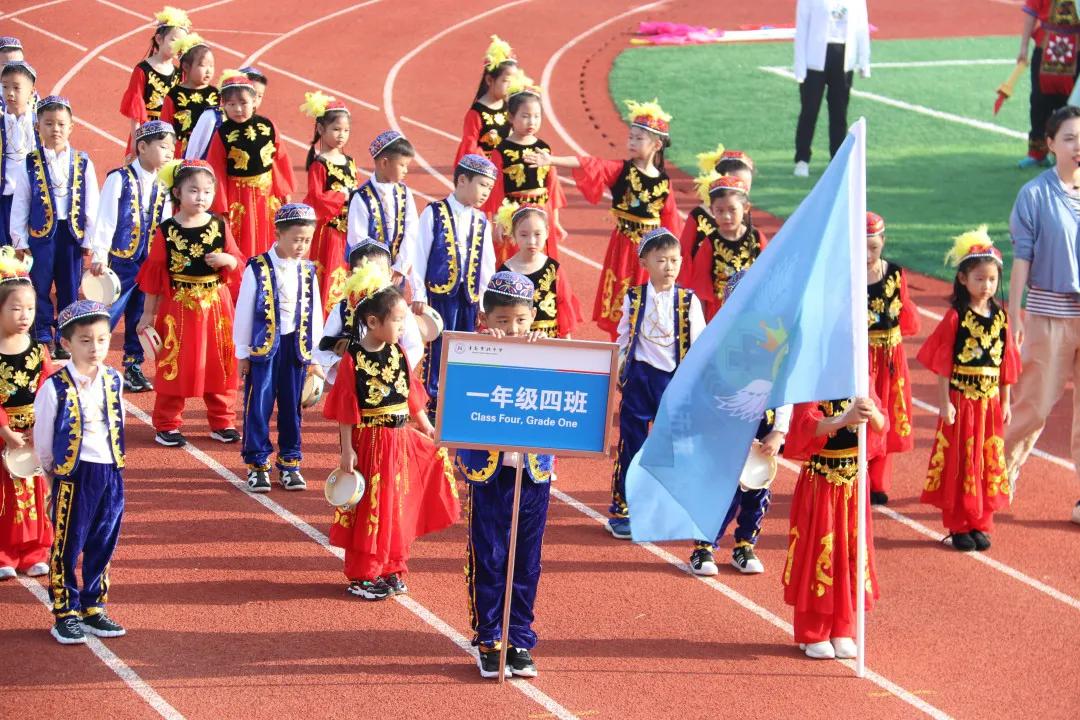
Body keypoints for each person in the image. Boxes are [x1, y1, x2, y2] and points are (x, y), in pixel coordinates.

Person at [323, 262, 458, 600]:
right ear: (372, 322)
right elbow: (346, 408)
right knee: (372, 506)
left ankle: (392, 566)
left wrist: (426, 426)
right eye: (397, 320)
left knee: (398, 504)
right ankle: (364, 574)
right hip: (370, 442)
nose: (403, 326)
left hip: (399, 441)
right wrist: (346, 451)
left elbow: (410, 394)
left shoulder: (397, 352)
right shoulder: (352, 360)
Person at [455, 270, 549, 679]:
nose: (513, 329)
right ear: (485, 319)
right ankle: (490, 637)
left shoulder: (549, 355)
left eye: (522, 321)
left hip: (533, 472)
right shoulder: (471, 353)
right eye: (503, 321)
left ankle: (520, 639)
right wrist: (484, 356)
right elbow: (458, 402)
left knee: (527, 560)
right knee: (490, 554)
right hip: (490, 472)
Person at [527, 99, 681, 339]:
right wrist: (552, 160)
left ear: (657, 144)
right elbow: (589, 163)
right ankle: (619, 348)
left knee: (649, 299)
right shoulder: (622, 170)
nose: (631, 142)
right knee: (621, 300)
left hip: (651, 251)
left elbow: (670, 223)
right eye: (630, 137)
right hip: (624, 249)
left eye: (638, 138)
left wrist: (671, 257)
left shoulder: (664, 183)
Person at [918, 228, 1019, 551]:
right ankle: (959, 524)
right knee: (962, 460)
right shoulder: (956, 317)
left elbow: (1006, 363)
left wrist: (1005, 400)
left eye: (991, 280)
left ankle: (981, 521)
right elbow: (944, 362)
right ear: (963, 279)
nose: (986, 286)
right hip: (962, 401)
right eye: (979, 279)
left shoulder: (1001, 318)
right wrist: (945, 402)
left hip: (989, 403)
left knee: (987, 458)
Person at [33, 300, 127, 645]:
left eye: (102, 340)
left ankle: (93, 606)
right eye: (85, 341)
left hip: (110, 471)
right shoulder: (54, 387)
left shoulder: (114, 380)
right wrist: (48, 474)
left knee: (104, 540)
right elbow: (43, 435)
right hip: (74, 474)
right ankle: (65, 611)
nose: (95, 348)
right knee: (68, 543)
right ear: (67, 343)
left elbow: (116, 424)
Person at [135, 159, 243, 448]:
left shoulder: (220, 225)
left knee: (220, 363)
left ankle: (222, 421)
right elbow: (155, 273)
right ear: (178, 193)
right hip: (178, 308)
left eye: (207, 191)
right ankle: (167, 424)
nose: (201, 197)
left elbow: (237, 260)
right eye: (193, 190)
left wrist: (226, 260)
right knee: (175, 363)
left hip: (217, 307)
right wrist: (147, 314)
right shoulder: (167, 230)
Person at [688, 271, 788, 577]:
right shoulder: (714, 342)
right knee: (719, 488)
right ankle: (703, 547)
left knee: (758, 487)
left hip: (762, 426)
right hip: (724, 428)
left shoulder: (776, 343)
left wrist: (779, 431)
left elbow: (785, 389)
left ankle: (745, 545)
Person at [1006, 105, 1080, 516]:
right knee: (1034, 406)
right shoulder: (1034, 194)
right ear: (1050, 144)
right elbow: (1022, 258)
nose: (1077, 146)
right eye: (1068, 138)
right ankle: (1000, 475)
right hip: (1049, 314)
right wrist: (1015, 314)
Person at [608, 228, 705, 539]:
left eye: (674, 260)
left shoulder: (688, 300)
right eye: (661, 259)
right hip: (640, 378)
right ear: (644, 262)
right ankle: (624, 509)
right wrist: (623, 370)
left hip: (674, 381)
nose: (669, 266)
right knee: (632, 445)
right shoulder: (633, 298)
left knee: (674, 448)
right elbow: (623, 335)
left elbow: (700, 344)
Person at [782, 395, 884, 659]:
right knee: (820, 551)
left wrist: (872, 413)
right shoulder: (815, 378)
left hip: (853, 482)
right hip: (821, 484)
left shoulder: (860, 376)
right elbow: (806, 425)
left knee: (850, 553)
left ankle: (842, 630)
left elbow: (882, 426)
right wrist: (844, 419)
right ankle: (813, 631)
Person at [234, 203, 325, 493]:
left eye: (307, 240)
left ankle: (290, 461)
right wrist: (242, 352)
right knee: (258, 405)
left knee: (292, 405)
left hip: (295, 347)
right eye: (297, 239)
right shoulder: (257, 267)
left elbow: (316, 313)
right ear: (278, 235)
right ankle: (258, 463)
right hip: (263, 348)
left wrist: (316, 357)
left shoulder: (308, 270)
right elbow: (245, 310)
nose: (302, 246)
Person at [398, 153, 496, 409]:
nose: (487, 192)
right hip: (439, 295)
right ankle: (433, 401)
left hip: (469, 297)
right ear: (462, 180)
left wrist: (485, 303)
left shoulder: (481, 220)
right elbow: (419, 256)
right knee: (438, 348)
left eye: (490, 187)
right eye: (483, 185)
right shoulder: (434, 212)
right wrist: (418, 293)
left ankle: (457, 401)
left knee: (465, 347)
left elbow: (487, 265)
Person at [9, 96, 99, 358]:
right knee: (39, 284)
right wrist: (20, 240)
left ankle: (65, 336)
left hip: (70, 235)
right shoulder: (30, 162)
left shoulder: (83, 162)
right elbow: (22, 201)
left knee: (69, 286)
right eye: (48, 124)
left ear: (71, 127)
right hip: (40, 236)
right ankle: (42, 334)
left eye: (61, 124)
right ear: (38, 127)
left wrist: (89, 240)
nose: (55, 129)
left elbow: (92, 202)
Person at [89, 120, 174, 393]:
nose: (170, 153)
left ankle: (133, 366)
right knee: (109, 312)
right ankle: (91, 363)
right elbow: (106, 218)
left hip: (149, 262)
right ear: (142, 147)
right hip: (122, 261)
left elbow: (166, 225)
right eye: (163, 147)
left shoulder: (165, 186)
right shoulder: (119, 178)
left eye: (172, 147)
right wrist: (100, 253)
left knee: (142, 314)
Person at [0, 250, 54, 581]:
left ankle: (34, 550)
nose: (25, 316)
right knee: (6, 495)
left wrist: (42, 427)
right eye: (16, 308)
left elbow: (49, 391)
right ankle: (4, 552)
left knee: (35, 492)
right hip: (6, 436)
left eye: (30, 309)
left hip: (32, 435)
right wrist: (6, 433)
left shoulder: (38, 351)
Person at [207, 70, 295, 259]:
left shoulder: (268, 126)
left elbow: (279, 160)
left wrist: (284, 192)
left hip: (267, 196)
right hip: (238, 198)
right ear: (223, 105)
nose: (238, 109)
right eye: (231, 104)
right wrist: (220, 208)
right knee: (242, 242)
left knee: (270, 237)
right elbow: (216, 172)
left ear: (255, 101)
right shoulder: (222, 134)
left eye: (243, 103)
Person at [315, 240, 425, 385]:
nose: (372, 280)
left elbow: (414, 345)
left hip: (390, 381)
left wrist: (398, 368)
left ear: (390, 274)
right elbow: (321, 348)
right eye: (363, 273)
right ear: (350, 276)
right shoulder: (342, 309)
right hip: (352, 383)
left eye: (378, 273)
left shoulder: (399, 307)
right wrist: (338, 364)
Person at [865, 212, 919, 505]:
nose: (868, 254)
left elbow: (905, 311)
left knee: (889, 413)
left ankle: (879, 481)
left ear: (883, 242)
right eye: (862, 248)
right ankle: (860, 472)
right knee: (867, 410)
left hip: (891, 356)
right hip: (863, 356)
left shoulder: (895, 272)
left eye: (874, 247)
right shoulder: (848, 275)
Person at [483, 73, 565, 265]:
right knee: (514, 260)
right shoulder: (501, 150)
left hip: (541, 213)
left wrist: (556, 221)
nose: (532, 122)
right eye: (525, 116)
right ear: (511, 117)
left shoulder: (544, 148)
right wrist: (497, 222)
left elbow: (552, 187)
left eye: (537, 116)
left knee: (542, 261)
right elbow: (496, 190)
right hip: (514, 214)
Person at [792, 0, 871, 177]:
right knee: (809, 111)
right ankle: (802, 159)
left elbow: (861, 27)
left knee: (839, 113)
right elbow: (802, 30)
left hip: (844, 60)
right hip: (814, 61)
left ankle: (837, 160)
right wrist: (799, 65)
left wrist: (864, 60)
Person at [681, 174, 767, 321]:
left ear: (746, 208)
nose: (726, 216)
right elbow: (701, 288)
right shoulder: (710, 242)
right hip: (718, 314)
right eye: (720, 211)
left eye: (732, 210)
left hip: (750, 310)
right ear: (712, 210)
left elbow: (768, 274)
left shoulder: (756, 238)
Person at [301, 92, 357, 314]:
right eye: (336, 129)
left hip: (348, 231)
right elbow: (316, 199)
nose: (341, 135)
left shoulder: (350, 161)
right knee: (329, 277)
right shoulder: (319, 164)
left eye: (346, 130)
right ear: (321, 129)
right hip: (329, 233)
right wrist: (342, 196)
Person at [495, 201, 581, 338]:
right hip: (516, 344)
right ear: (514, 234)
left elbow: (564, 308)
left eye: (537, 234)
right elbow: (497, 315)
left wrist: (567, 346)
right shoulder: (505, 272)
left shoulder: (554, 269)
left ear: (547, 232)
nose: (531, 241)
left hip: (548, 345)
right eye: (524, 235)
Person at [118, 6, 189, 159]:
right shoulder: (143, 69)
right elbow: (136, 110)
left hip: (169, 132)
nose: (178, 46)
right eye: (174, 40)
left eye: (182, 42)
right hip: (147, 131)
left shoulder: (179, 73)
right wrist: (135, 141)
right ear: (159, 39)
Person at [1018, 1, 1080, 168]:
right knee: (1039, 102)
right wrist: (1023, 46)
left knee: (1073, 106)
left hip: (1077, 50)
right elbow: (1031, 13)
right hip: (1045, 46)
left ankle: (1072, 155)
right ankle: (1037, 153)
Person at [345, 130, 417, 274]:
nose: (406, 170)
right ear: (384, 163)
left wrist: (400, 267)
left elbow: (412, 230)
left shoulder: (405, 194)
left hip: (395, 273)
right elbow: (357, 237)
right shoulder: (361, 197)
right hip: (368, 274)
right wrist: (378, 268)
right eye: (402, 165)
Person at [455, 35, 518, 162]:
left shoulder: (510, 107)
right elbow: (469, 148)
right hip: (483, 172)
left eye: (514, 81)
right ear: (490, 80)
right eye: (506, 81)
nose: (511, 85)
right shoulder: (476, 113)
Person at [184, 66, 268, 161]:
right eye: (251, 93)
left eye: (259, 96)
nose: (255, 99)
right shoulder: (213, 118)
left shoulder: (261, 126)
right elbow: (193, 152)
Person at [158, 33, 218, 159]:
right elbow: (164, 126)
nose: (209, 70)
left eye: (211, 65)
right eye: (203, 65)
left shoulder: (216, 94)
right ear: (186, 66)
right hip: (181, 152)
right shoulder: (174, 95)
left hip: (210, 151)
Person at [2, 61, 39, 249]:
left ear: (32, 92)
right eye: (5, 87)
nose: (9, 93)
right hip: (4, 199)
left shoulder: (40, 125)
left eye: (16, 88)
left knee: (29, 253)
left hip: (32, 201)